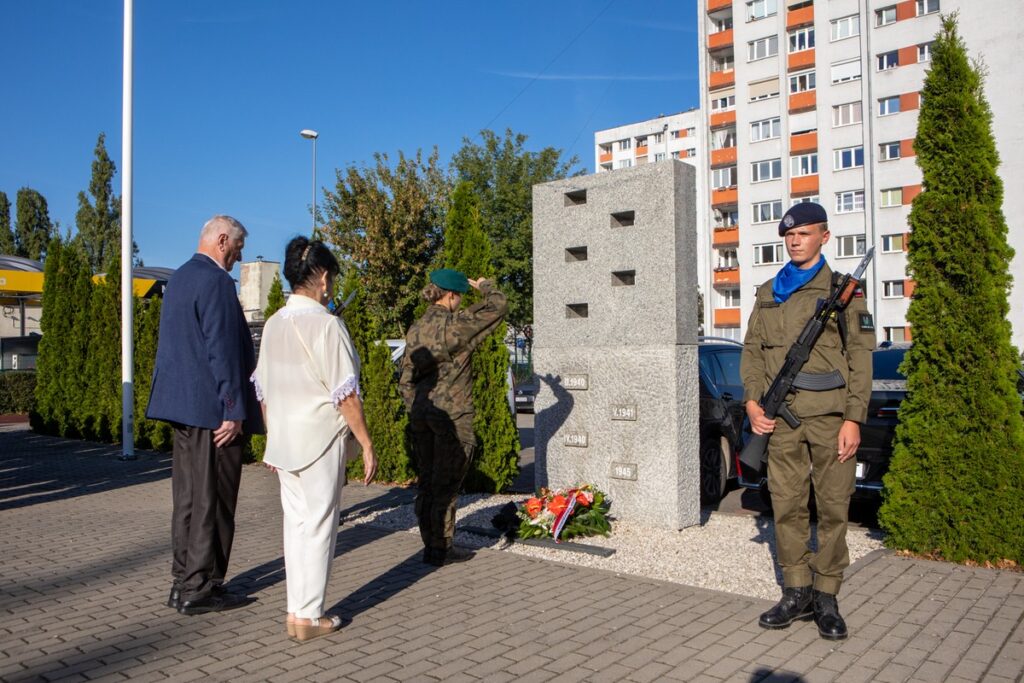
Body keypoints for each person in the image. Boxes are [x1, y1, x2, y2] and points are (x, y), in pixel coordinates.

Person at [740, 202, 873, 640]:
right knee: (786, 505)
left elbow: (860, 358)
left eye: (804, 234)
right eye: (789, 236)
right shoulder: (767, 292)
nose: (795, 241)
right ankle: (796, 591)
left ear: (824, 237)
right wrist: (754, 403)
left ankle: (827, 595)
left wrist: (854, 418)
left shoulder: (843, 291)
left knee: (834, 507)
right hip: (780, 422)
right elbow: (753, 353)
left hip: (830, 419)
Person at [251, 237, 378, 642]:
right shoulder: (326, 324)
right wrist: (367, 443)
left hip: (284, 441)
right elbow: (347, 395)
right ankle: (310, 616)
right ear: (322, 278)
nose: (334, 286)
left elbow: (264, 391)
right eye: (333, 278)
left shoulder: (273, 324)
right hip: (320, 440)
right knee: (321, 526)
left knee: (297, 526)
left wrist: (273, 439)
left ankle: (296, 610)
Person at [147, 215, 264, 615]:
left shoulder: (179, 278)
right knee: (212, 498)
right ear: (221, 240)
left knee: (189, 498)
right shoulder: (215, 281)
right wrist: (233, 410)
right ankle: (201, 587)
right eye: (238, 247)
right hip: (214, 413)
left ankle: (183, 582)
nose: (239, 255)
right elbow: (222, 350)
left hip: (184, 408)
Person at [399, 269, 508, 566]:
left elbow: (405, 379)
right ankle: (441, 549)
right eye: (459, 295)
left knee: (428, 482)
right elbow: (499, 305)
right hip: (453, 415)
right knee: (446, 486)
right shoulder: (458, 325)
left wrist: (416, 408)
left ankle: (430, 545)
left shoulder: (416, 328)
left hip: (422, 415)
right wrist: (485, 285)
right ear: (451, 295)